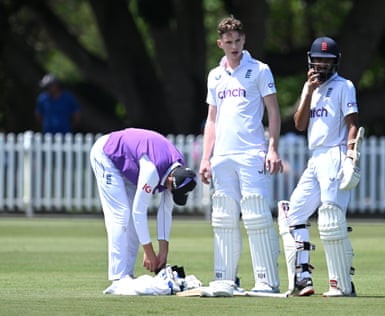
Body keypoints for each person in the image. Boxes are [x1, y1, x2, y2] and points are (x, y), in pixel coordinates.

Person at [199, 16, 283, 293]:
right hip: (222, 156)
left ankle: (266, 281)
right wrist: (205, 158)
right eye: (228, 42)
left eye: (238, 40)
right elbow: (212, 120)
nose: (233, 46)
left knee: (256, 215)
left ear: (244, 40)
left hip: (251, 153)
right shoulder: (215, 75)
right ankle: (225, 277)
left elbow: (273, 110)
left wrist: (272, 148)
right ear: (219, 43)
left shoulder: (259, 70)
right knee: (223, 216)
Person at [278, 36, 362, 297]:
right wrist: (308, 92)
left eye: (327, 60)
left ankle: (341, 283)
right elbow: (300, 124)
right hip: (315, 157)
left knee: (330, 218)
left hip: (335, 154)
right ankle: (303, 278)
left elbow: (352, 125)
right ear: (311, 60)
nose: (322, 64)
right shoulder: (309, 87)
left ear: (335, 62)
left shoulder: (344, 86)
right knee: (295, 214)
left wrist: (351, 156)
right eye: (318, 59)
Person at [89, 128, 197, 293]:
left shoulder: (177, 170)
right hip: (107, 154)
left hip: (131, 165)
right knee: (121, 215)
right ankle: (118, 279)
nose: (170, 192)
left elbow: (165, 212)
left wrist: (163, 250)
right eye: (171, 189)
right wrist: (148, 251)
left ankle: (127, 275)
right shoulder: (152, 171)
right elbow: (139, 212)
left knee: (130, 220)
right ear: (170, 179)